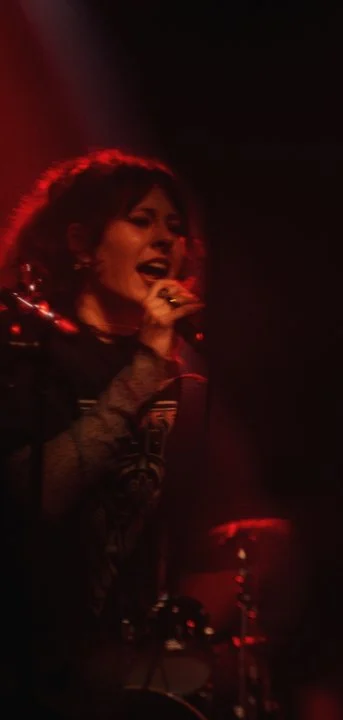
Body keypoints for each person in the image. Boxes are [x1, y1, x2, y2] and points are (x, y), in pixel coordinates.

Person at [0, 148, 208, 718]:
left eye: (175, 228)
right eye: (140, 221)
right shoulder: (29, 351)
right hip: (26, 664)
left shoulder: (182, 374)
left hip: (116, 670)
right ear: (81, 244)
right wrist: (143, 369)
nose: (165, 240)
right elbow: (37, 496)